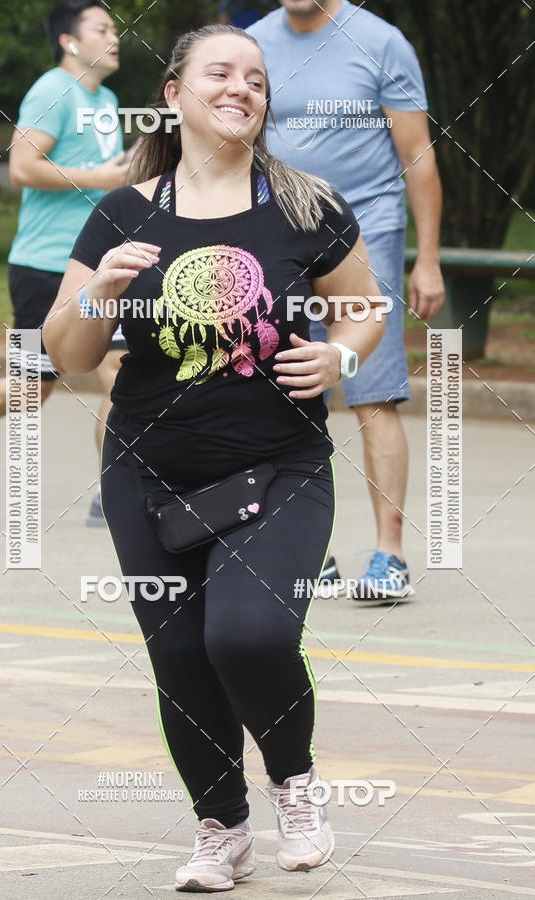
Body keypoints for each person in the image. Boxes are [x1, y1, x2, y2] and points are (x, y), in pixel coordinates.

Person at [43, 23, 385, 893]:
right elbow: (71, 354)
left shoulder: (307, 203)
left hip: (281, 463)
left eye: (258, 79)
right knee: (182, 657)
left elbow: (366, 306)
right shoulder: (124, 209)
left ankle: (296, 783)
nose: (242, 88)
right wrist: (98, 291)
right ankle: (222, 828)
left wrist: (341, 357)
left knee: (250, 633)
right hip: (150, 470)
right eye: (221, 73)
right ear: (174, 93)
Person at [248, 0, 446, 600]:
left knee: (372, 392)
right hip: (278, 228)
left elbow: (417, 153)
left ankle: (389, 555)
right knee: (276, 390)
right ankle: (310, 553)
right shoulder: (251, 45)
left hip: (368, 230)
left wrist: (429, 259)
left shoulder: (381, 43)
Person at [0, 0, 129, 526]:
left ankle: (115, 496)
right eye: (102, 28)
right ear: (70, 41)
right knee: (29, 393)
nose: (115, 36)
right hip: (45, 267)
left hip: (100, 266)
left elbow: (106, 174)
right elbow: (23, 167)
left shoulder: (106, 97)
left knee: (119, 371)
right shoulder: (53, 90)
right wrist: (103, 179)